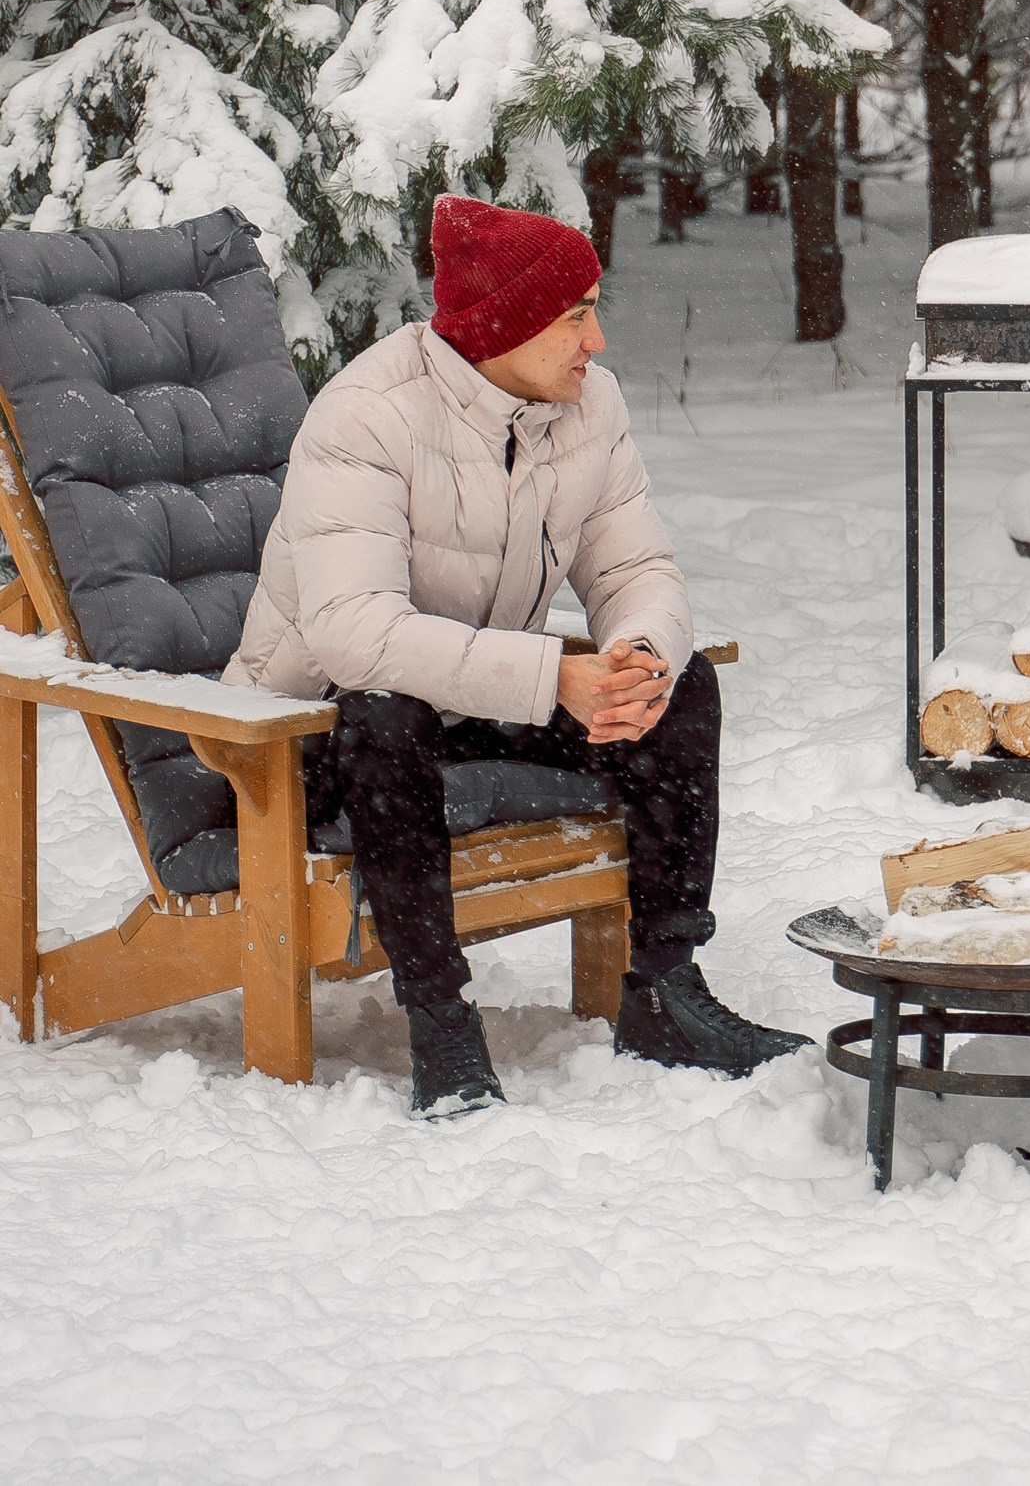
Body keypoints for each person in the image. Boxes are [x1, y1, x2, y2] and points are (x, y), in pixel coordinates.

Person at [229, 195, 808, 1115]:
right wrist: (552, 678)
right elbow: (353, 631)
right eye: (577, 315)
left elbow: (636, 565)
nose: (599, 340)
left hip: (467, 709)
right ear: (503, 326)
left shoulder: (586, 407)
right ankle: (442, 1025)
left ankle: (664, 983)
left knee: (681, 684)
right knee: (386, 708)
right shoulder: (367, 416)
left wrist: (634, 658)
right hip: (298, 741)